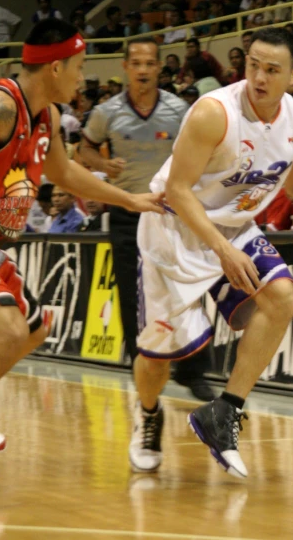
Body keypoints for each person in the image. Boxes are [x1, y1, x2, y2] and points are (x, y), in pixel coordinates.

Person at [132, 27, 293, 478]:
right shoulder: (213, 114)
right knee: (159, 357)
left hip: (232, 227)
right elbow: (177, 189)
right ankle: (148, 414)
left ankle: (225, 412)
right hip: (174, 232)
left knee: (282, 296)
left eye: (272, 70)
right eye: (253, 65)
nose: (258, 77)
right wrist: (221, 252)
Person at [0, 19, 163, 455]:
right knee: (10, 332)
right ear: (55, 68)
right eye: (79, 64)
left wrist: (129, 200)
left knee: (33, 330)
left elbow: (64, 172)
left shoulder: (48, 117)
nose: (82, 75)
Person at [80, 38, 213, 404]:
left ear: (159, 68)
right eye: (135, 63)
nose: (142, 70)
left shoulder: (179, 110)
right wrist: (103, 165)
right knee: (131, 296)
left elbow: (203, 149)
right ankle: (140, 366)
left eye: (149, 63)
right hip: (126, 214)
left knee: (188, 291)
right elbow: (83, 149)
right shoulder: (106, 112)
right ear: (125, 67)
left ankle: (194, 371)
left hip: (173, 215)